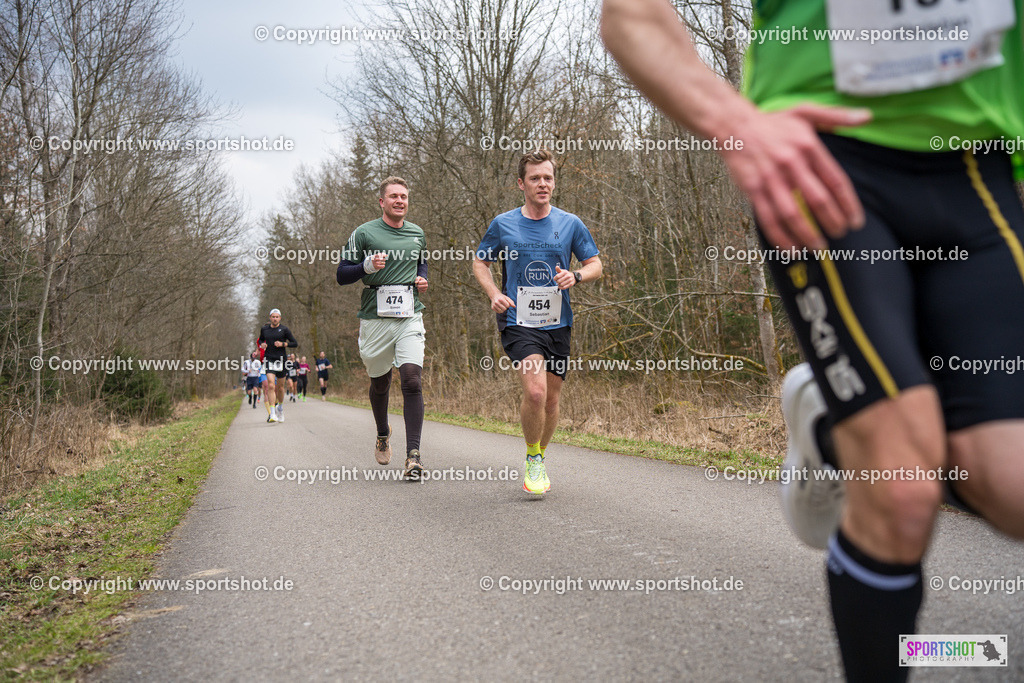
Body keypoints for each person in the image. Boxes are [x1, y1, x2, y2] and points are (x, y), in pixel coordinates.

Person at [601, 2, 1024, 681]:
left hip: (982, 175)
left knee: (1009, 483)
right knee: (901, 488)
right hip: (821, 167)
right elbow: (630, 14)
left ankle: (833, 429)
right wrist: (734, 122)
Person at [473, 150, 602, 495]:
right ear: (521, 183)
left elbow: (595, 264)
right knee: (535, 391)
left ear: (554, 183)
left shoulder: (570, 223)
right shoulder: (503, 224)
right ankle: (532, 457)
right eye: (535, 178)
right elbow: (480, 262)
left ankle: (540, 456)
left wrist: (576, 275)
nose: (542, 184)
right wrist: (493, 293)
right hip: (518, 319)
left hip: (558, 321)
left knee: (551, 401)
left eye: (548, 177)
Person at [337, 176, 429, 479]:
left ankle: (413, 456)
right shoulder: (364, 233)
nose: (399, 201)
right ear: (382, 201)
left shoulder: (417, 233)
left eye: (404, 196)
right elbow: (341, 274)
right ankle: (382, 432)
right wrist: (366, 266)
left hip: (409, 315)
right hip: (375, 318)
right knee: (380, 383)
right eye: (393, 196)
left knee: (411, 380)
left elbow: (422, 263)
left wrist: (422, 279)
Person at [258, 308, 298, 423]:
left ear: (280, 318)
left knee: (280, 388)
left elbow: (294, 343)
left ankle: (280, 408)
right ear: (270, 317)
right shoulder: (264, 329)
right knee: (271, 385)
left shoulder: (284, 329)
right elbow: (260, 340)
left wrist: (283, 344)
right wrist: (262, 345)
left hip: (281, 360)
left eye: (277, 317)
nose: (275, 319)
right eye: (273, 317)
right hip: (269, 359)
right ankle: (272, 413)